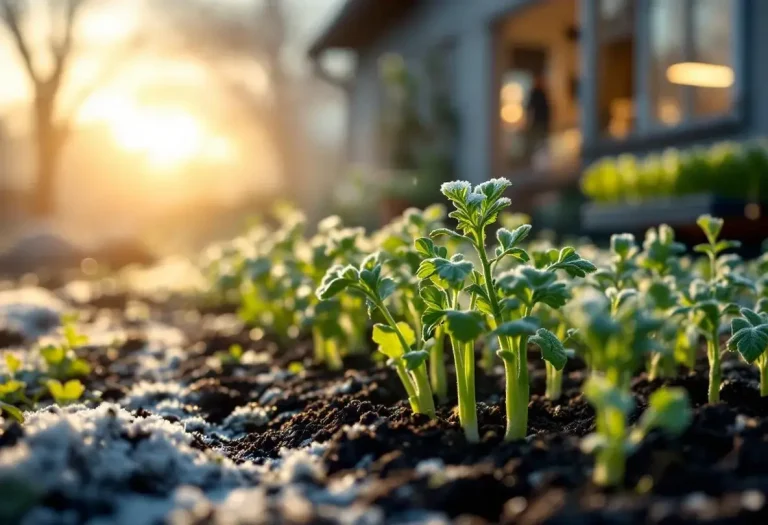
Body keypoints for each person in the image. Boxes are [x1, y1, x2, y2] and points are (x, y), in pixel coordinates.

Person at [525, 72, 551, 165]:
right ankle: (531, 160)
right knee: (535, 141)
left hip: (542, 121)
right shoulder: (534, 93)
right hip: (536, 122)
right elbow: (529, 108)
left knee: (541, 142)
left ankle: (540, 161)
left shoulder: (542, 93)